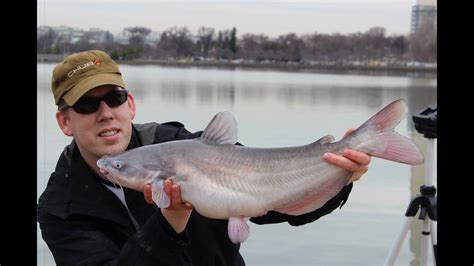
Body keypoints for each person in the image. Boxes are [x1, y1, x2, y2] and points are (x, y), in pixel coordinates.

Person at [37, 50, 372, 266]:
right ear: (65, 122)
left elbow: (279, 209)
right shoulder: (59, 207)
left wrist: (341, 176)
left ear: (131, 105)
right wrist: (169, 224)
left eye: (114, 97)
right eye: (86, 105)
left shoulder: (179, 144)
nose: (106, 113)